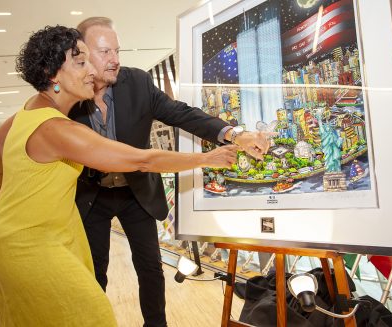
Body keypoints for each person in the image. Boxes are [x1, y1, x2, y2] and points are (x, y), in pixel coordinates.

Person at [0, 25, 237, 326]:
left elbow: (1, 140)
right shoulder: (57, 128)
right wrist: (208, 158)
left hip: (14, 233)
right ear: (53, 74)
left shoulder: (33, 108)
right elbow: (142, 160)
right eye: (81, 62)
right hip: (28, 240)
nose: (93, 70)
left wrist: (32, 180)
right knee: (92, 314)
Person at [70, 17, 271, 327]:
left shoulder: (136, 83)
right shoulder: (69, 98)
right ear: (81, 54)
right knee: (94, 273)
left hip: (135, 193)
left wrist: (235, 134)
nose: (115, 60)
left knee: (150, 268)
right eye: (106, 52)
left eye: (117, 51)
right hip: (92, 195)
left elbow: (182, 114)